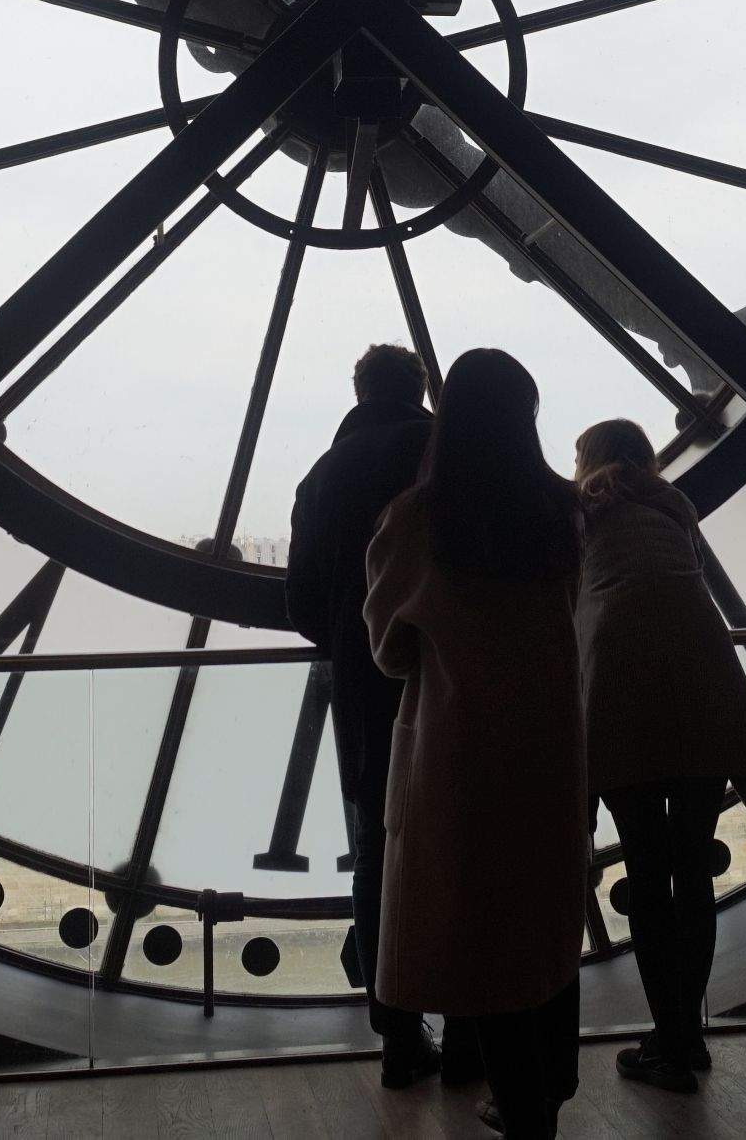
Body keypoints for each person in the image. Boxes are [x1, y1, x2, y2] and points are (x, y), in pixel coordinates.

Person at [364, 349, 585, 1139]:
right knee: (543, 923)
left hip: (454, 754)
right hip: (552, 743)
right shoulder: (563, 513)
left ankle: (522, 1099)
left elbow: (389, 647)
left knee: (478, 933)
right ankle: (545, 1093)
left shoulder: (416, 519)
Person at [571, 417, 746, 1093]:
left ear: (591, 461)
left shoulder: (587, 504)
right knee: (692, 869)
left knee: (647, 862)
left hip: (619, 687)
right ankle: (686, 1035)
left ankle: (670, 1035)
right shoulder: (674, 506)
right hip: (703, 681)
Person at [283, 343, 457, 1087]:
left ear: (358, 390)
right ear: (420, 388)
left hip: (360, 684)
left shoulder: (322, 477)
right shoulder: (438, 451)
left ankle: (397, 1027)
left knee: (378, 854)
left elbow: (304, 605)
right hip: (445, 677)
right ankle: (470, 1021)